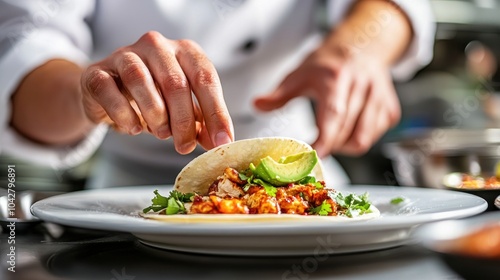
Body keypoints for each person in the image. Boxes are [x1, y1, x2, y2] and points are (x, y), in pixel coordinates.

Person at [0, 0, 435, 188]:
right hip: (130, 191)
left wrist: (357, 49)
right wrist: (90, 93)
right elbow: (24, 44)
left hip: (304, 171)